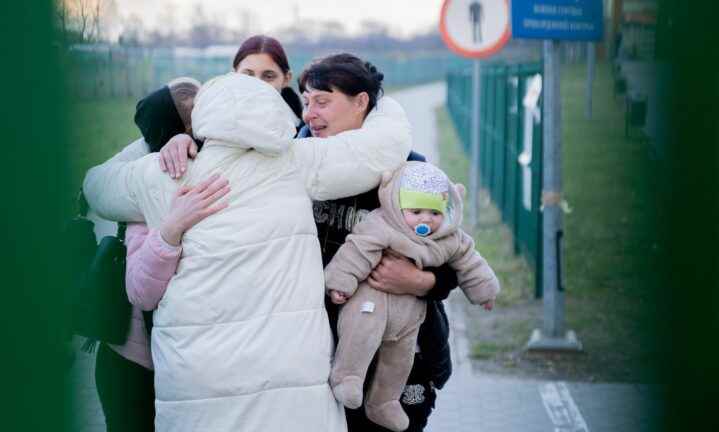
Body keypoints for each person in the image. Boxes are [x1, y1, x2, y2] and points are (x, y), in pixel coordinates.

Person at [83, 72, 412, 431]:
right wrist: (383, 104)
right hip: (291, 384)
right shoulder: (297, 162)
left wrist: (155, 143)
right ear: (271, 113)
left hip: (199, 383)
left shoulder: (162, 174)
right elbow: (387, 145)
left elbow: (97, 184)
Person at [157, 53, 459, 432]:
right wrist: (183, 140)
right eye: (305, 100)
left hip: (396, 363)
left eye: (322, 100)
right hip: (318, 363)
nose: (310, 113)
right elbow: (224, 155)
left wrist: (422, 282)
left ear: (360, 102)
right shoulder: (285, 160)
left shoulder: (411, 172)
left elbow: (455, 255)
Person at [93, 78, 230, 432]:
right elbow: (143, 288)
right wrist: (170, 230)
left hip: (170, 360)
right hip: (139, 365)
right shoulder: (156, 180)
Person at [325, 162, 499, 431]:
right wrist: (341, 283)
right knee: (360, 333)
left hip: (411, 318)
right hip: (370, 304)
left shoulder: (448, 236)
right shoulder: (383, 224)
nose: (425, 220)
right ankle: (347, 377)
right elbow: (357, 250)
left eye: (433, 213)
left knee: (399, 360)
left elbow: (469, 262)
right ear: (399, 206)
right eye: (416, 212)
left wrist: (481, 290)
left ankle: (384, 402)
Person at [162, 35, 304, 179]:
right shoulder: (211, 121)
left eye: (268, 77)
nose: (257, 85)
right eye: (247, 75)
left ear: (286, 79)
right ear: (234, 74)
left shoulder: (306, 129)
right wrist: (183, 140)